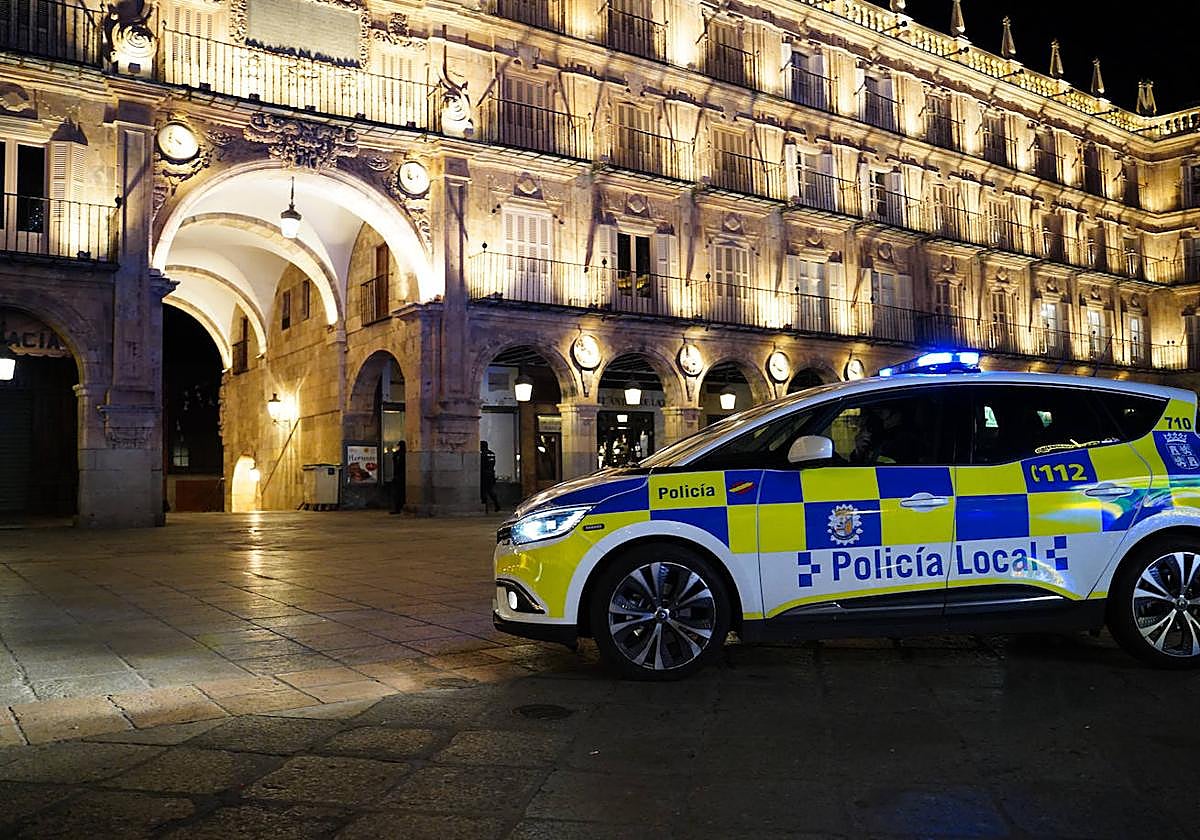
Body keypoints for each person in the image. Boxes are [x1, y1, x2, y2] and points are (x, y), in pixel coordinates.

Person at [480, 440, 500, 512]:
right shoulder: (492, 454)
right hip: (491, 474)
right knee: (491, 490)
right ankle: (496, 504)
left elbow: (481, 465)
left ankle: (485, 507)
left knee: (484, 491)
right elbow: (493, 463)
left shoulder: (482, 454)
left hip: (484, 475)